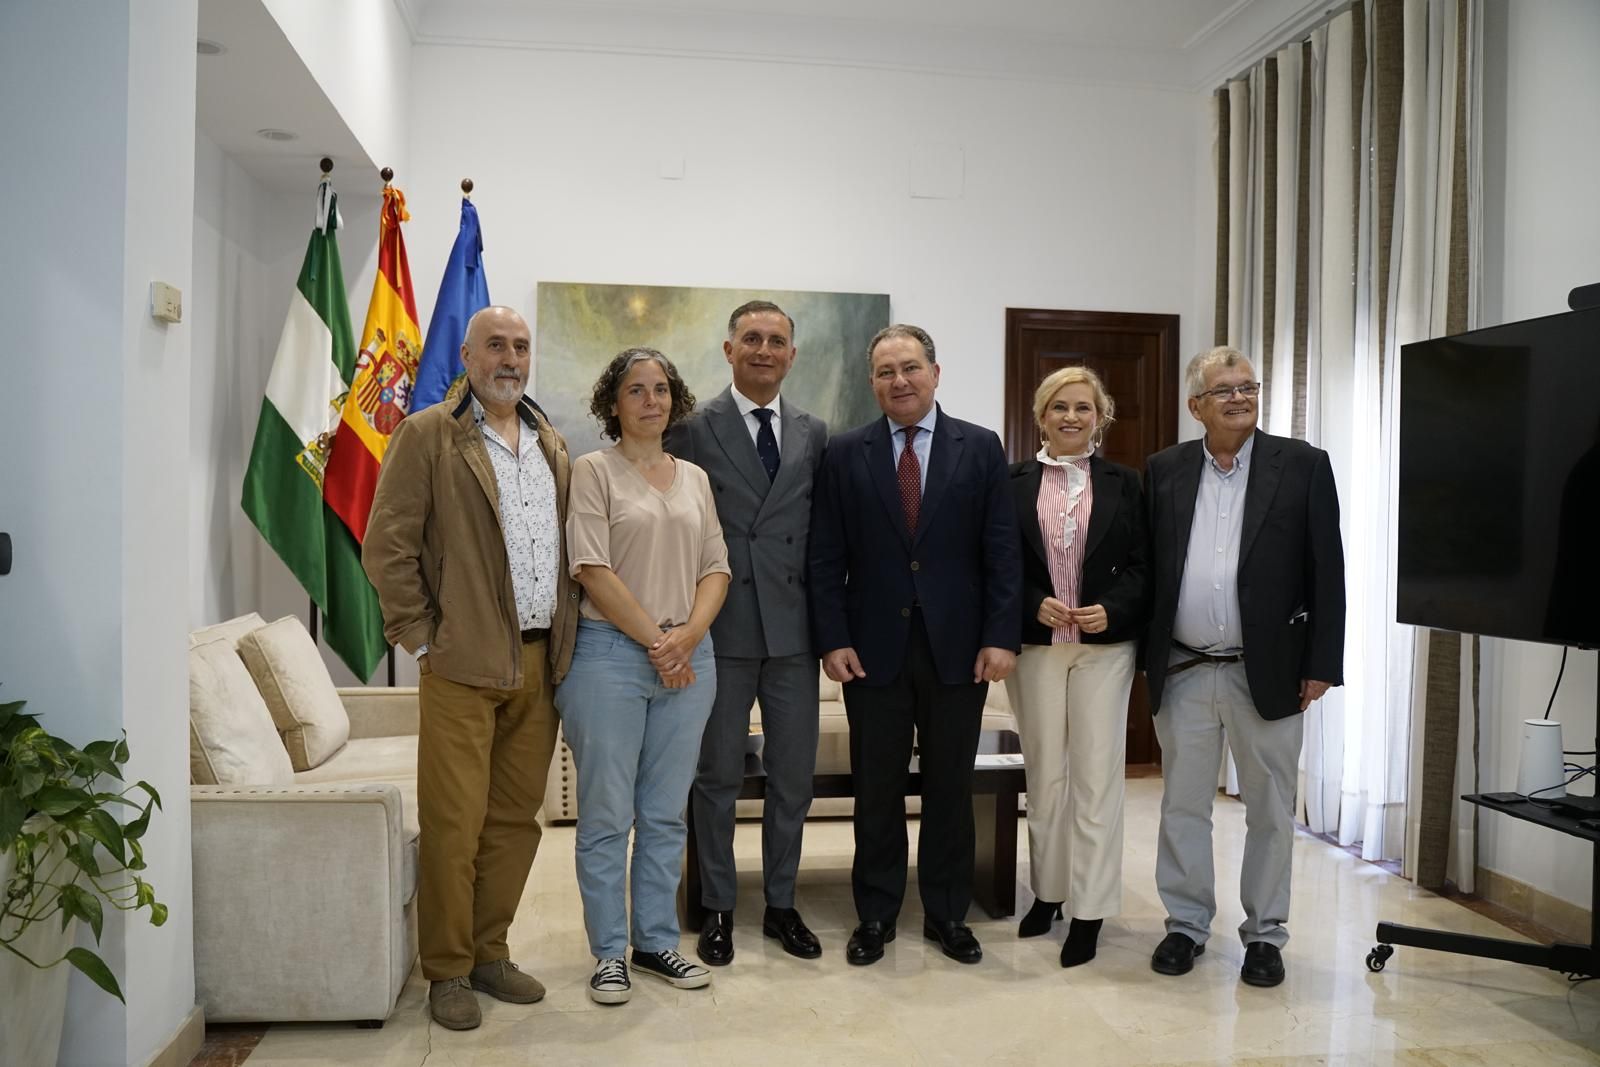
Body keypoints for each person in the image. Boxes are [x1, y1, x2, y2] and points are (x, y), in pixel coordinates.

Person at [363, 305, 577, 1031]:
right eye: (495, 345)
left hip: (542, 661)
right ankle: (448, 969)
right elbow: (386, 545)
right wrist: (422, 639)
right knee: (455, 823)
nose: (510, 357)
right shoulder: (428, 435)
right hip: (460, 660)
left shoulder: (552, 442)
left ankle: (491, 952)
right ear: (466, 354)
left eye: (520, 346)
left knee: (516, 820)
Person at [809, 323, 1021, 967]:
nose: (898, 381)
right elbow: (825, 557)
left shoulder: (980, 448)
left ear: (935, 371)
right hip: (871, 649)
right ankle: (875, 913)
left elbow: (1002, 553)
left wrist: (1000, 637)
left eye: (909, 368)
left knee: (950, 788)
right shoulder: (845, 452)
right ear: (870, 381)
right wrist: (833, 639)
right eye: (884, 372)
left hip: (959, 649)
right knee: (876, 789)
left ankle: (947, 914)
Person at [1143, 345, 1345, 988]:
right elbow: (1150, 570)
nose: (1239, 398)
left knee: (1270, 810)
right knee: (1183, 806)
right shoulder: (1164, 469)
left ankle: (1265, 936)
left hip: (1273, 672)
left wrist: (1322, 663)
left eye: (1248, 387)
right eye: (1224, 389)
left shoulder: (1304, 466)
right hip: (1184, 670)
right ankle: (1185, 926)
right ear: (1195, 405)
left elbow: (1327, 571)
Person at [554, 347, 732, 1006]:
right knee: (607, 814)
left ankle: (655, 941)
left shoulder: (696, 478)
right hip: (609, 659)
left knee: (664, 815)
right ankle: (607, 953)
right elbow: (591, 568)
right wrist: (661, 640)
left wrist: (686, 636)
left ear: (674, 399)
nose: (651, 399)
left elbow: (717, 567)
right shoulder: (591, 472)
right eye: (636, 389)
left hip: (691, 657)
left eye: (661, 388)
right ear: (614, 402)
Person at [664, 301, 828, 966]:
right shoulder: (693, 428)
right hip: (720, 626)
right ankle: (720, 908)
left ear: (792, 355)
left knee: (793, 778)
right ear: (729, 350)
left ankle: (782, 903)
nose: (764, 349)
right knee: (716, 777)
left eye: (777, 340)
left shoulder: (815, 432)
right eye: (752, 338)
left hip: (794, 631)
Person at [1005, 366, 1149, 967]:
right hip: (1035, 648)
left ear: (1100, 415)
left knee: (1096, 778)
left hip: (1103, 652)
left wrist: (1111, 611)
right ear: (1041, 416)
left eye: (1083, 408)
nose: (1071, 417)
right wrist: (1028, 601)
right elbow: (995, 562)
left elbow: (1147, 566)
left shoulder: (1128, 484)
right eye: (1059, 407)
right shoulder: (1010, 482)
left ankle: (1089, 911)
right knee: (1046, 777)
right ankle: (1049, 893)